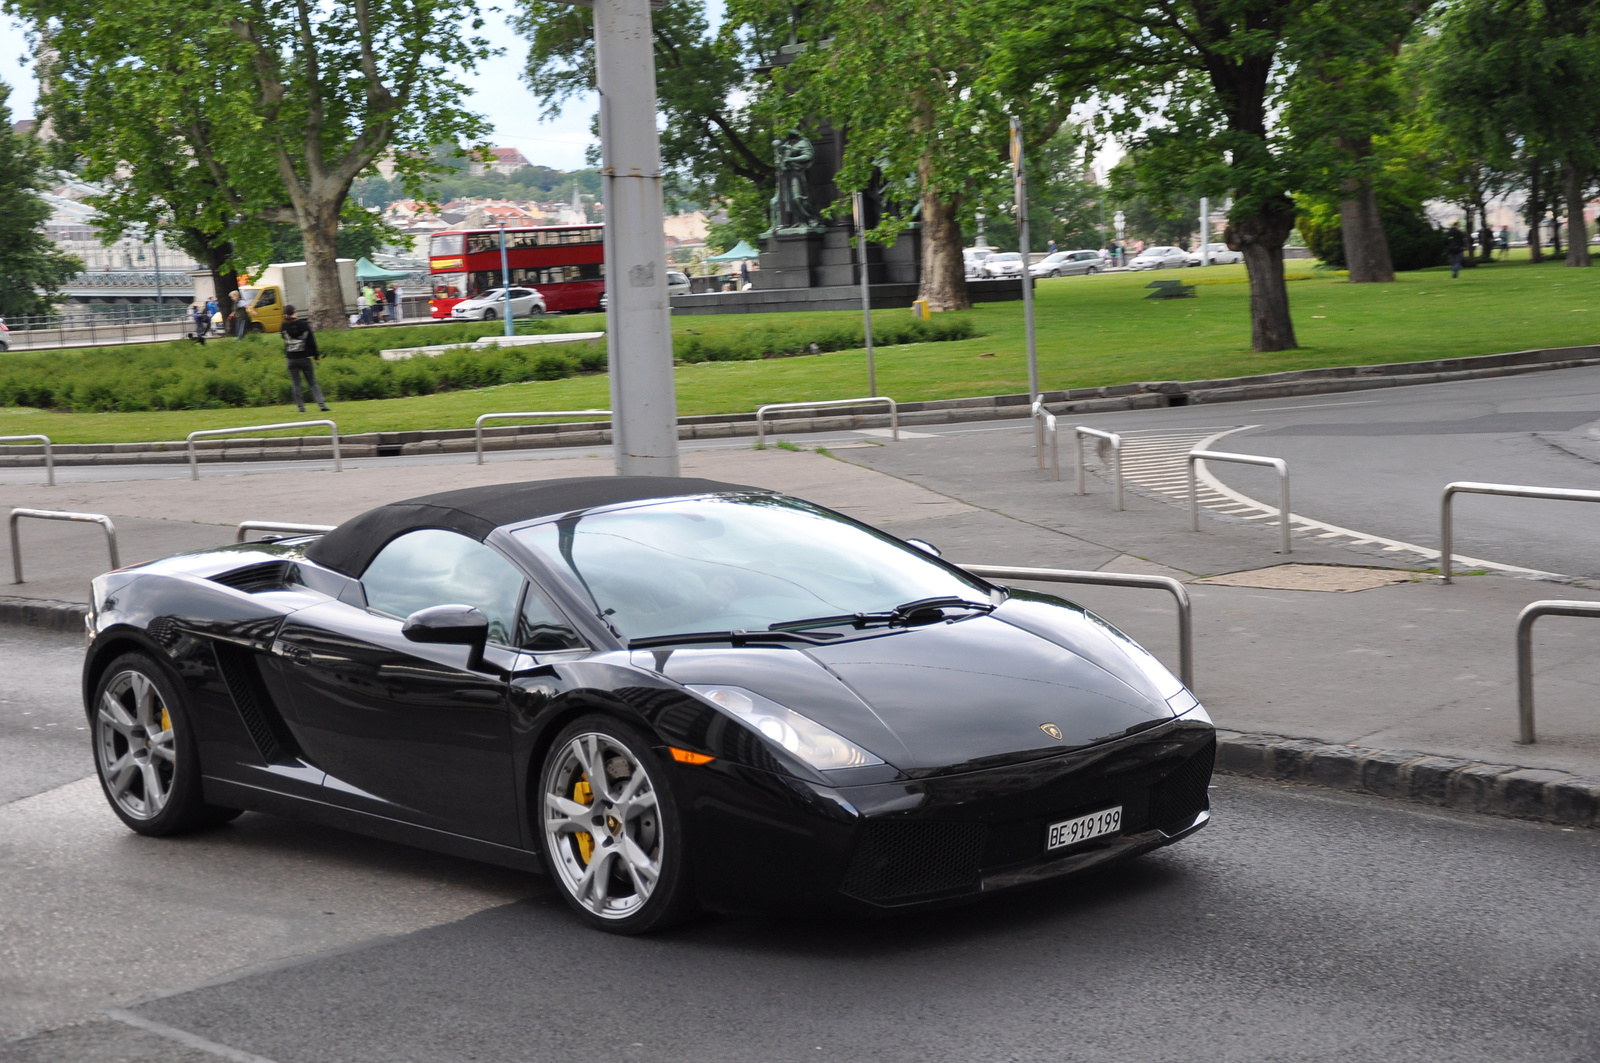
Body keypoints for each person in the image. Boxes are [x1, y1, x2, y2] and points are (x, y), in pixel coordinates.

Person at [280, 305, 330, 414]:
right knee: (312, 382)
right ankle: (322, 405)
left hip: (291, 359)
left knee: (296, 384)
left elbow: (283, 338)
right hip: (304, 358)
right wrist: (316, 356)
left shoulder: (284, 326)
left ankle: (301, 408)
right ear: (294, 312)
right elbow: (312, 341)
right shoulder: (304, 325)